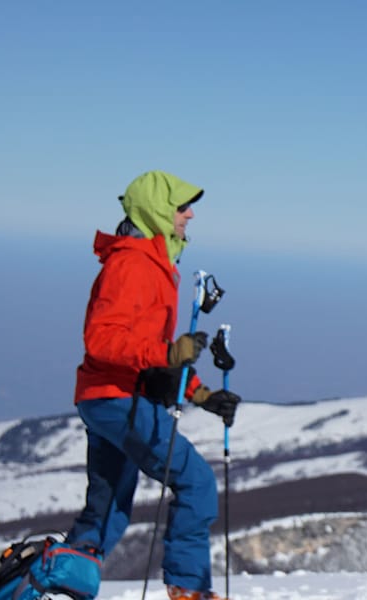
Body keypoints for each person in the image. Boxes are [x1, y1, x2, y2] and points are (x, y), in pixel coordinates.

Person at [68, 170, 242, 600]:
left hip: (108, 396)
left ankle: (49, 581)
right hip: (119, 398)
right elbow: (103, 339)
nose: (190, 215)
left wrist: (202, 395)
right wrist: (168, 356)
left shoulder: (153, 264)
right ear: (158, 211)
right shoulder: (133, 264)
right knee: (196, 482)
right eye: (182, 207)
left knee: (106, 509)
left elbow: (157, 350)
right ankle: (188, 589)